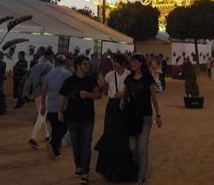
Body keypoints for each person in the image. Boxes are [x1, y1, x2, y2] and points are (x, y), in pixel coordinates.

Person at [58, 55, 102, 185]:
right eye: (84, 64)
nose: (87, 66)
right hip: (72, 118)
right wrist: (59, 111)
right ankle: (78, 165)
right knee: (76, 145)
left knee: (86, 145)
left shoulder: (91, 80)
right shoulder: (69, 81)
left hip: (87, 117)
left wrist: (88, 95)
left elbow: (99, 94)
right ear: (78, 66)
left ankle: (85, 172)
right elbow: (62, 96)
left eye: (87, 64)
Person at [94, 53, 137, 182]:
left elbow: (133, 89)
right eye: (113, 61)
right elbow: (102, 88)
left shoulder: (129, 75)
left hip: (124, 104)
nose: (113, 64)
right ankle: (109, 168)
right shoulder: (109, 75)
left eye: (116, 62)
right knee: (110, 133)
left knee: (122, 134)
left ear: (123, 63)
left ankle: (121, 169)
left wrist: (124, 94)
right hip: (112, 106)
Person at [122, 53, 162, 185]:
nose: (132, 64)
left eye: (134, 62)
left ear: (140, 63)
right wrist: (122, 99)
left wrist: (158, 114)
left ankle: (141, 176)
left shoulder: (148, 78)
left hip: (145, 116)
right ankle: (138, 168)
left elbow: (154, 98)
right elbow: (125, 92)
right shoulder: (129, 79)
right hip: (131, 116)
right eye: (131, 62)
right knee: (133, 147)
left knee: (142, 147)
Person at [42, 54, 72, 158]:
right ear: (65, 63)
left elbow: (44, 91)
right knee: (63, 128)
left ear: (54, 62)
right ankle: (53, 143)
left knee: (55, 128)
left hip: (51, 106)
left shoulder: (48, 75)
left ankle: (56, 150)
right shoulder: (68, 74)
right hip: (63, 106)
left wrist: (43, 105)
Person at [27, 48, 54, 148]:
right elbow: (46, 81)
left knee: (41, 115)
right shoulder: (50, 66)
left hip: (36, 93)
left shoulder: (35, 66)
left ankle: (47, 135)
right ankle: (32, 138)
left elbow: (29, 80)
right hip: (44, 94)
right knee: (41, 116)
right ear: (49, 56)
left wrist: (27, 92)